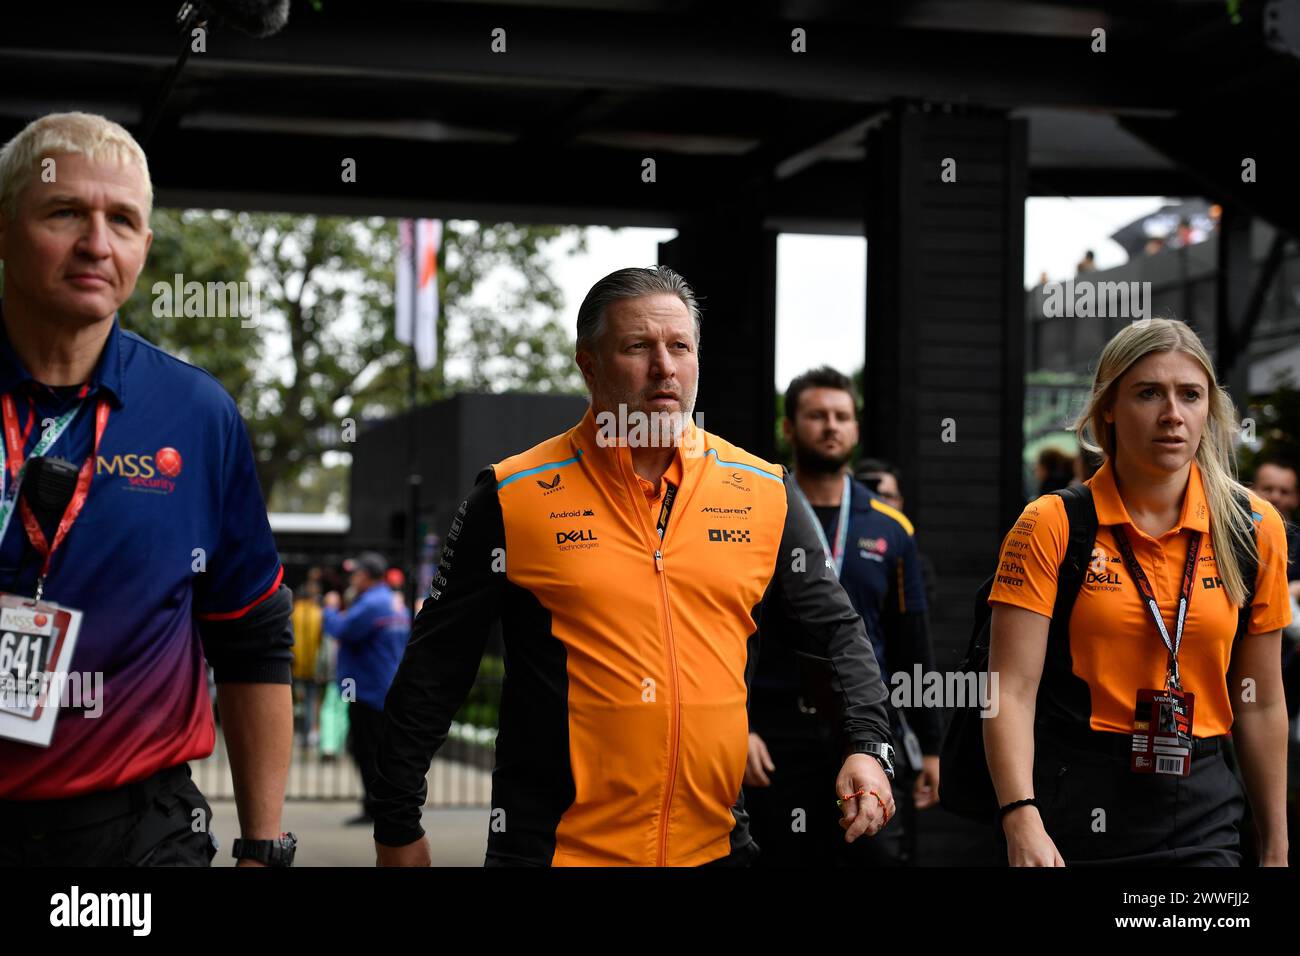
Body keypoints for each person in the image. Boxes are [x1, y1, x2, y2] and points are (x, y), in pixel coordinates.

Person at [370, 266, 896, 867]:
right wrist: (397, 821)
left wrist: (867, 746)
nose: (664, 367)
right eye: (638, 346)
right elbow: (437, 664)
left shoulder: (765, 489)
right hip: (554, 852)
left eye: (680, 347)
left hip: (717, 848)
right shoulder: (511, 494)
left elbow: (838, 631)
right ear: (588, 364)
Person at [0, 112, 295, 867]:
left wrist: (264, 846)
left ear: (144, 248)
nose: (97, 243)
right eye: (65, 212)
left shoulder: (197, 415)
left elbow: (252, 636)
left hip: (138, 837)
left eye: (122, 220)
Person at [986, 318, 1290, 866]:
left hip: (1202, 807)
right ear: (1108, 407)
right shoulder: (1052, 523)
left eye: (1190, 395)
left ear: (1209, 409)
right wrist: (1020, 816)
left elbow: (1262, 702)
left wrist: (1276, 848)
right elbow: (1009, 690)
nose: (1172, 414)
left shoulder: (1253, 526)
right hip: (1073, 802)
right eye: (1148, 393)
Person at [744, 368, 939, 867]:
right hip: (771, 733)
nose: (831, 426)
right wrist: (736, 729)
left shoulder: (892, 527)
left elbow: (909, 642)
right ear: (789, 428)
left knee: (871, 856)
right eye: (816, 415)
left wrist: (931, 748)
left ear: (855, 428)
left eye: (842, 416)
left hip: (860, 729)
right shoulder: (752, 513)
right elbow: (727, 628)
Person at [323, 551, 410, 825]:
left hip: (369, 691)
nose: (353, 578)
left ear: (367, 576)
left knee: (366, 750)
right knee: (377, 751)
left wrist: (329, 608)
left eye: (357, 573)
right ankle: (383, 806)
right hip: (386, 687)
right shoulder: (394, 603)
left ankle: (375, 808)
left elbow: (343, 629)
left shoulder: (372, 604)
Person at [291, 577, 326, 749]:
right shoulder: (319, 613)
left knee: (298, 701)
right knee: (312, 701)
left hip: (295, 665)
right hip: (314, 667)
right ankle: (309, 734)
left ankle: (300, 734)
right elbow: (322, 642)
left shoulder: (293, 612)